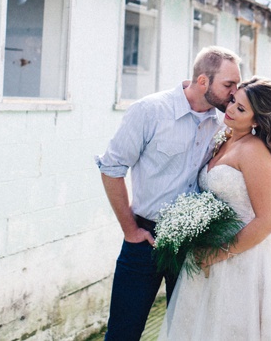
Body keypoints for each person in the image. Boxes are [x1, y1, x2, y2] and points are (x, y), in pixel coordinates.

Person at [158, 77, 271, 340]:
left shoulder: (254, 151)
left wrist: (218, 253)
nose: (231, 109)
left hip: (245, 259)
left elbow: (269, 220)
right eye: (233, 101)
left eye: (241, 109)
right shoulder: (224, 138)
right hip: (208, 253)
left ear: (256, 121)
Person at [96, 46, 242, 341]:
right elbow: (111, 167)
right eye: (229, 85)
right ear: (203, 81)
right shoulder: (150, 111)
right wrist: (130, 230)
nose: (234, 93)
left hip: (195, 244)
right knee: (122, 332)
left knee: (187, 333)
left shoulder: (223, 123)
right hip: (144, 239)